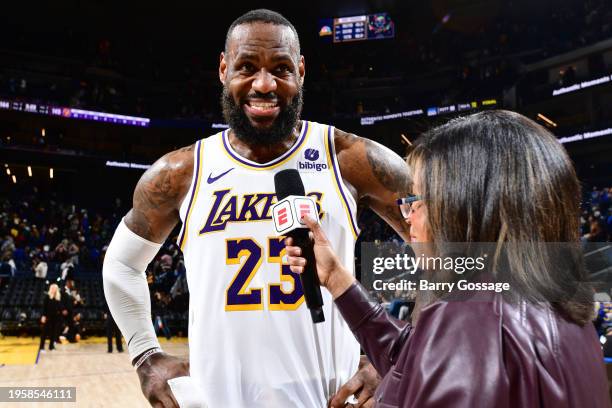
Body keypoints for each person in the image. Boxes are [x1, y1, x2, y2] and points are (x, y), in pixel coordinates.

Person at [103, 9, 410, 408]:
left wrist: (397, 353)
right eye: (247, 66)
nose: (264, 84)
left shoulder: (351, 159)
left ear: (300, 71)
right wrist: (145, 355)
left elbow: (464, 257)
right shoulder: (179, 173)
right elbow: (121, 265)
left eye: (281, 68)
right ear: (223, 69)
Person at [286, 110, 611, 407]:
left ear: (469, 209)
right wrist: (336, 277)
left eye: (418, 200)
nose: (408, 216)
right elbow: (415, 361)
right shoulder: (567, 314)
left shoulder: (469, 320)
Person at [39, 283, 61, 351]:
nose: (54, 289)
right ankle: (41, 347)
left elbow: (58, 308)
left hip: (55, 318)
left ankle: (51, 347)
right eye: (53, 288)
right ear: (50, 289)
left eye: (55, 288)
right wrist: (43, 316)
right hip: (48, 317)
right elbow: (44, 307)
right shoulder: (47, 297)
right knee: (44, 333)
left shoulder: (58, 297)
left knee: (53, 333)